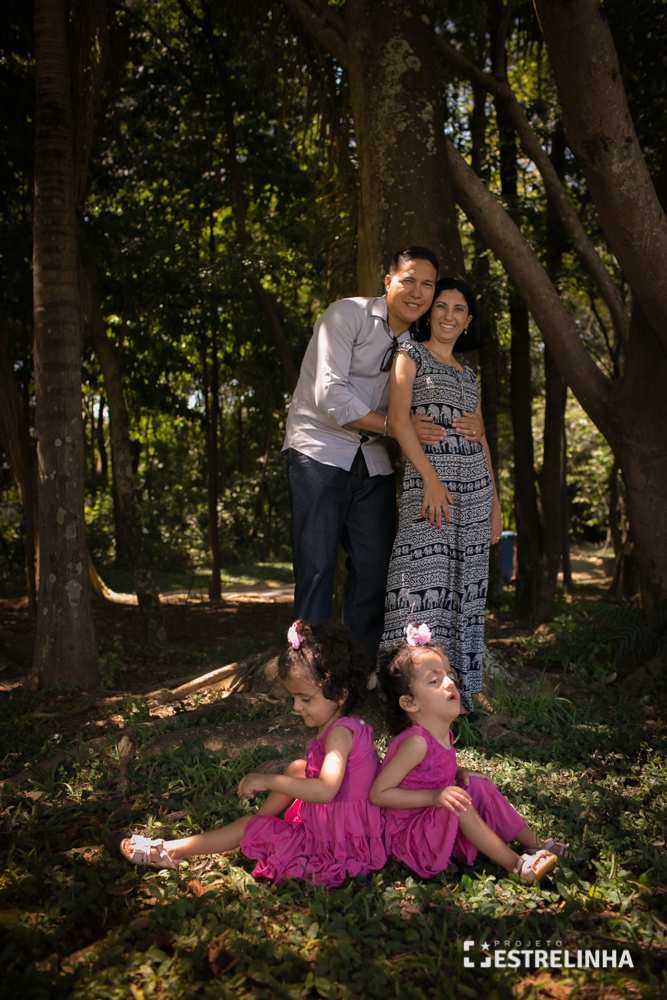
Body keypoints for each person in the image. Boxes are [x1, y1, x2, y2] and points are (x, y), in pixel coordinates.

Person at [283, 248, 483, 661]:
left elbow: (429, 407)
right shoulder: (346, 316)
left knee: (375, 570)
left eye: (427, 284)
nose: (417, 292)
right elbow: (330, 395)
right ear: (388, 281)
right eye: (408, 280)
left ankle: (359, 669)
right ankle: (308, 669)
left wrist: (471, 426)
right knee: (317, 567)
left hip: (373, 459)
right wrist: (395, 425)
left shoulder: (417, 347)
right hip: (319, 450)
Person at [116, 620, 386, 886]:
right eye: (293, 697)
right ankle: (259, 825)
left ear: (339, 695)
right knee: (298, 768)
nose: (296, 707)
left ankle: (169, 851)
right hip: (350, 828)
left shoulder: (339, 734)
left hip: (339, 846)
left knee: (256, 815)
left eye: (306, 699)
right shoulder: (344, 724)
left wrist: (268, 780)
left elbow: (326, 790)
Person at [379, 276, 501, 718]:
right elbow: (398, 420)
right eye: (442, 306)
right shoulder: (410, 355)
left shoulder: (469, 376)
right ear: (430, 313)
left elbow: (481, 438)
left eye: (459, 309)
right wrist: (431, 480)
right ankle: (407, 701)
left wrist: (495, 504)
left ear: (468, 321)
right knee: (419, 585)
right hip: (430, 489)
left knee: (464, 590)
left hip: (475, 494)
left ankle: (456, 698)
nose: (449, 316)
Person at [370, 627, 568, 884]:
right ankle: (517, 866)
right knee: (457, 803)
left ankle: (536, 844)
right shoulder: (416, 742)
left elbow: (425, 772)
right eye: (434, 680)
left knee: (477, 786)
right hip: (409, 837)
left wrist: (459, 772)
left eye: (449, 675)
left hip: (434, 823)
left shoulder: (441, 733)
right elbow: (379, 794)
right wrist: (435, 796)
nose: (449, 682)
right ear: (409, 703)